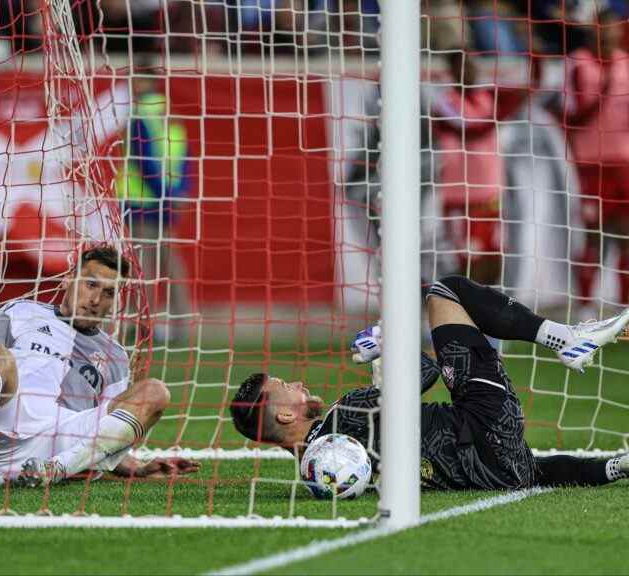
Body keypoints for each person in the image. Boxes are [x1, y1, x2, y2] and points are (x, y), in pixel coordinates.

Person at [230, 275, 629, 490]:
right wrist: (389, 342)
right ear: (284, 414)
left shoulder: (318, 470)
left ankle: (615, 467)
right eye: (288, 385)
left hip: (491, 469)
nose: (299, 382)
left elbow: (521, 472)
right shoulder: (343, 419)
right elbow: (425, 373)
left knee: (531, 470)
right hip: (482, 421)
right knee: (445, 292)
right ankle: (568, 340)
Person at [0, 245, 200, 485]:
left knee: (155, 392)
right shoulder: (20, 312)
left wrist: (139, 467)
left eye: (109, 293)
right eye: (90, 285)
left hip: (61, 443)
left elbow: (109, 434)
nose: (95, 299)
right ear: (69, 281)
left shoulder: (116, 356)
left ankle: (58, 468)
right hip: (1, 433)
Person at [431, 50, 536, 285]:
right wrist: (500, 115)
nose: (468, 71)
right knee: (469, 260)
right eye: (462, 66)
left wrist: (535, 58)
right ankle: (464, 314)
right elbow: (471, 129)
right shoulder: (444, 103)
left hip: (490, 192)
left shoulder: (487, 96)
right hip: (460, 196)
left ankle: (485, 316)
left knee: (494, 258)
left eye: (471, 66)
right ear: (452, 72)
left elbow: (527, 91)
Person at [114, 65, 191, 344]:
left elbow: (144, 162)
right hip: (166, 198)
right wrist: (177, 193)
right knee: (170, 262)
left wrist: (163, 194)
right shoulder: (169, 114)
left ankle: (144, 326)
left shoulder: (138, 115)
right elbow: (183, 156)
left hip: (141, 200)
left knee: (140, 266)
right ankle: (182, 324)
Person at [562, 8, 629, 313]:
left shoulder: (625, 63)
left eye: (615, 28)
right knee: (595, 235)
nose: (610, 33)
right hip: (591, 163)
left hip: (623, 161)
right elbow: (571, 116)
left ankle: (624, 307)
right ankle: (586, 305)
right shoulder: (578, 63)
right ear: (594, 30)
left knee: (626, 233)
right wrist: (601, 93)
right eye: (605, 28)